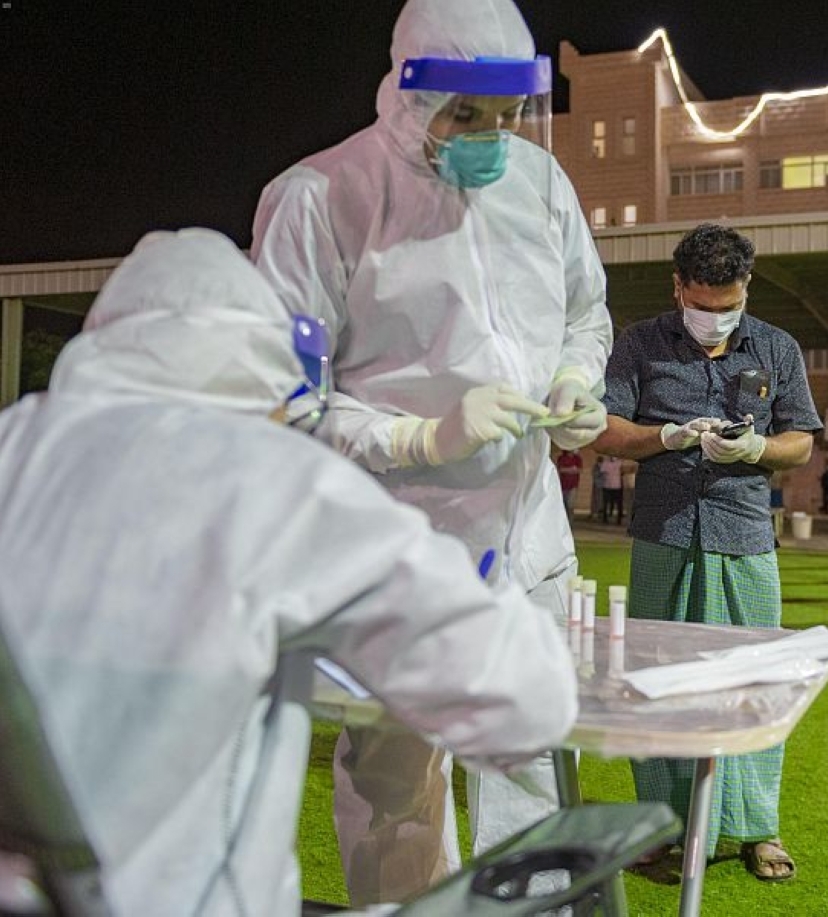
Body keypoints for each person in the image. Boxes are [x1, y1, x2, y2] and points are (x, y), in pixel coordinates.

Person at [0, 230, 579, 917]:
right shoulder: (272, 479)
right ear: (263, 360)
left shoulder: (14, 446)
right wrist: (488, 587)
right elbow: (522, 699)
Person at [251, 0, 612, 904]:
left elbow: (586, 311)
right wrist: (415, 436)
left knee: (531, 764)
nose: (491, 137)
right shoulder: (321, 197)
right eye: (465, 114)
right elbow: (283, 399)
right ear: (409, 95)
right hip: (395, 548)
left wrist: (575, 377)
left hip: (527, 537)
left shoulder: (539, 183)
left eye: (508, 115)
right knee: (396, 784)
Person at [594, 223, 822, 881]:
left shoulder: (776, 347)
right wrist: (666, 436)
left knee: (752, 679)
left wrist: (756, 448)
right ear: (678, 287)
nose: (714, 317)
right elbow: (606, 429)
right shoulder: (640, 343)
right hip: (663, 532)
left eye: (728, 305)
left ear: (746, 288)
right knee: (654, 678)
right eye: (701, 304)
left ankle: (757, 827)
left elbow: (801, 441)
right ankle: (663, 826)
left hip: (744, 534)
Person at [556, 447, 584, 519]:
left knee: (570, 504)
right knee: (563, 504)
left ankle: (570, 521)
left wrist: (568, 470)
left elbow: (580, 470)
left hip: (573, 485)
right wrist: (572, 469)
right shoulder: (562, 458)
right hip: (563, 485)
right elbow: (561, 469)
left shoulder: (577, 458)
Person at [599, 454, 624, 524]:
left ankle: (619, 519)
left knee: (619, 504)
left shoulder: (619, 462)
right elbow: (602, 472)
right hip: (607, 485)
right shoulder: (605, 462)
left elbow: (623, 470)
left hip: (617, 486)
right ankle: (605, 518)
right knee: (605, 503)